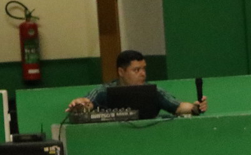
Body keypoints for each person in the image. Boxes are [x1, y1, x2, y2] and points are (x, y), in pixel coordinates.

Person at [66, 49, 206, 116]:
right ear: (121, 72)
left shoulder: (154, 91)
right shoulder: (103, 91)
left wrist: (195, 107)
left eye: (144, 69)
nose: (143, 74)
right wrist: (79, 104)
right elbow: (86, 103)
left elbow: (179, 107)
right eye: (136, 70)